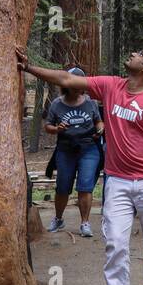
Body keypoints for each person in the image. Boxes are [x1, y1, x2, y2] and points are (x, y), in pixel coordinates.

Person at [18, 44, 143, 285]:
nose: (133, 54)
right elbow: (67, 80)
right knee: (115, 243)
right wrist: (28, 67)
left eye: (140, 54)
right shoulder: (111, 86)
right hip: (117, 182)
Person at [43, 67, 103, 237]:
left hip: (88, 149)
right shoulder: (56, 104)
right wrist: (57, 129)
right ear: (66, 84)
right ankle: (58, 218)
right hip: (65, 149)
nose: (78, 87)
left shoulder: (90, 102)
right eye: (74, 83)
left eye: (81, 83)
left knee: (85, 186)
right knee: (63, 187)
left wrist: (100, 130)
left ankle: (85, 223)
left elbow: (99, 122)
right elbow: (47, 126)